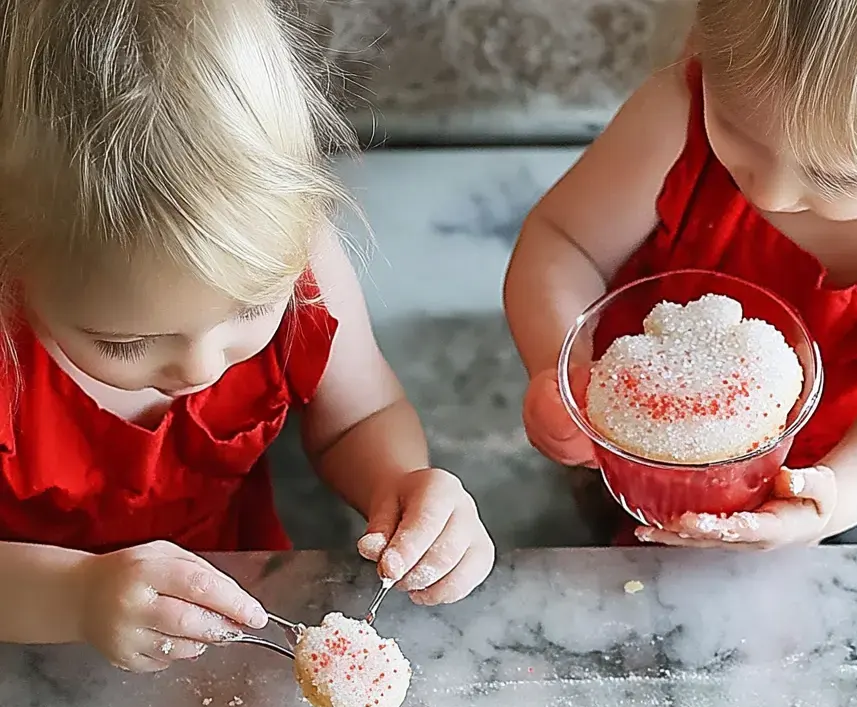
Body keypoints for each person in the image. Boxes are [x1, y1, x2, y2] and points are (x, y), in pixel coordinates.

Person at [0, 0, 493, 672]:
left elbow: (360, 417)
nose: (201, 367)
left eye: (252, 307)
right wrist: (76, 598)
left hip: (241, 598)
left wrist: (400, 482)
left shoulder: (296, 253)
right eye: (123, 342)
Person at [505, 0, 857, 550]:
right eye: (737, 130)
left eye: (836, 177)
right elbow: (564, 243)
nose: (770, 193)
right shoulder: (675, 115)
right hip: (640, 417)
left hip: (840, 461)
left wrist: (830, 505)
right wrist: (561, 365)